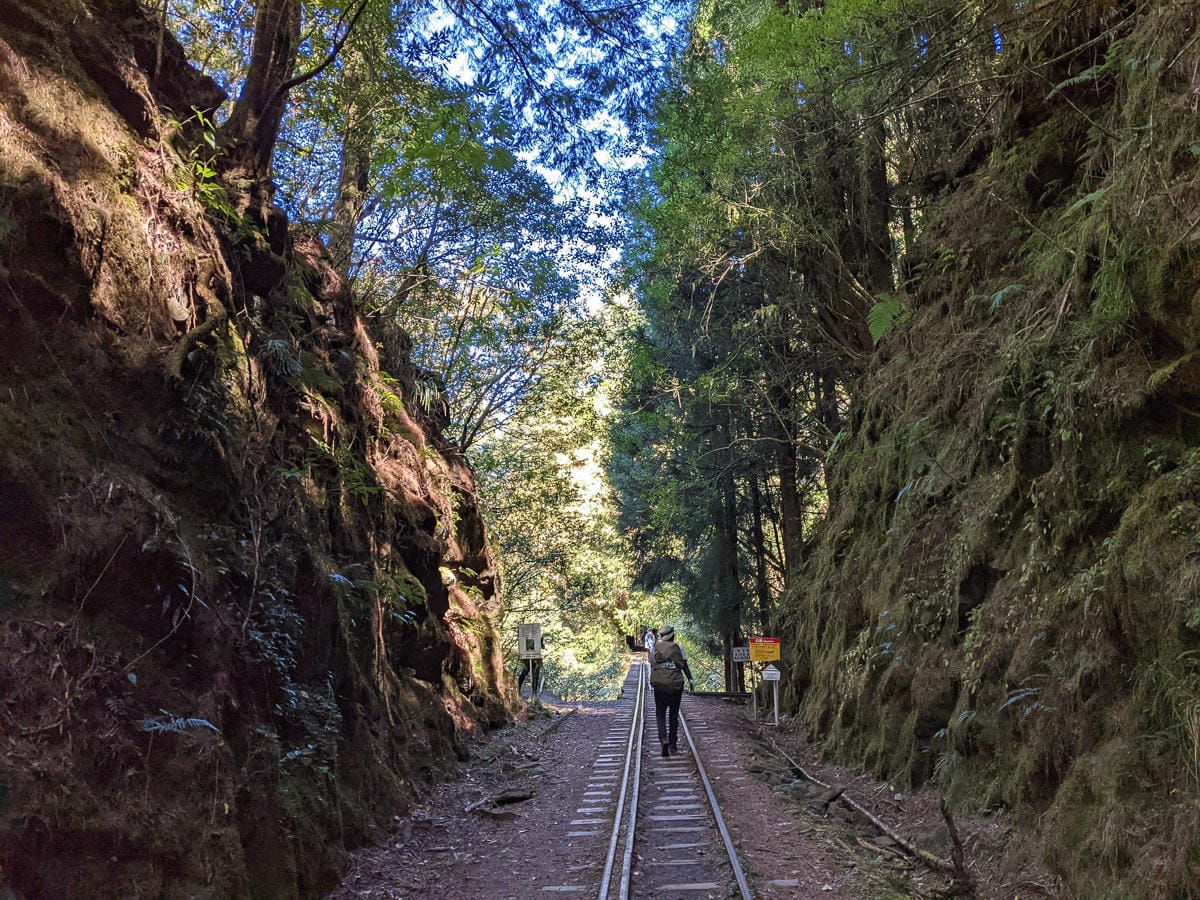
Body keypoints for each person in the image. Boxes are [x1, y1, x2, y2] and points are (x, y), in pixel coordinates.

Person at [648, 625, 693, 757]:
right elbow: (684, 666)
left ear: (662, 636)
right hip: (675, 685)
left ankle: (663, 739)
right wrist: (690, 680)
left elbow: (652, 663)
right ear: (673, 635)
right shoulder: (678, 648)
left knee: (660, 714)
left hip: (660, 685)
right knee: (674, 714)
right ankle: (673, 744)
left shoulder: (655, 647)